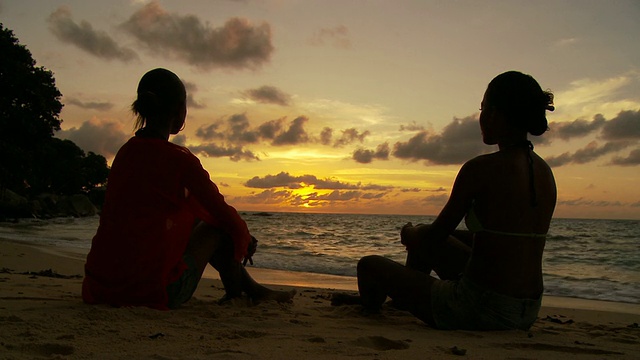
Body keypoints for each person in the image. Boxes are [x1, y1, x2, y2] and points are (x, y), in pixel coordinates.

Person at [333, 71, 556, 331]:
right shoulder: (544, 172)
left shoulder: (480, 169)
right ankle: (406, 299)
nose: (480, 117)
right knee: (444, 240)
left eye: (482, 108)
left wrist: (409, 233)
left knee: (369, 265)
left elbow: (432, 238)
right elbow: (507, 241)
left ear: (494, 113)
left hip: (479, 308)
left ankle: (373, 302)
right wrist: (448, 240)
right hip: (526, 310)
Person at [82, 68, 295, 310]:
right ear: (178, 112)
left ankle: (253, 291)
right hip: (153, 291)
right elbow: (223, 215)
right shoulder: (180, 160)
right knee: (219, 228)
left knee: (198, 221)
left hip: (100, 287)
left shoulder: (125, 154)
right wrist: (243, 238)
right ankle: (242, 294)